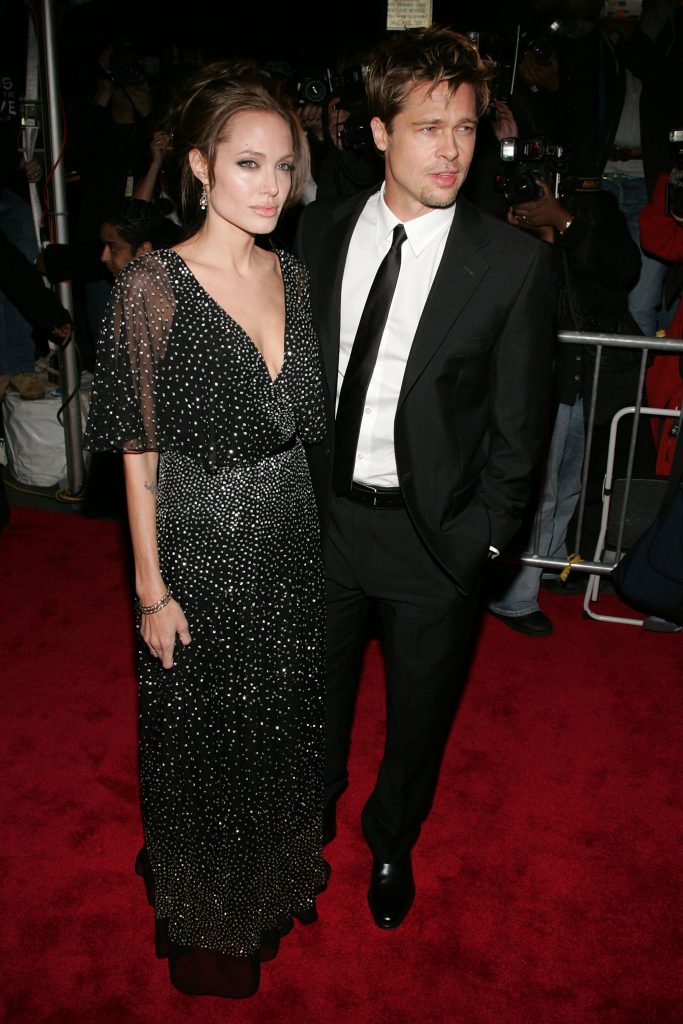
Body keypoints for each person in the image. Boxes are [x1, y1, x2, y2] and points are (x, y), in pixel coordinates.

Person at [295, 26, 556, 931]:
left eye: (466, 127)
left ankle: (391, 840)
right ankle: (306, 823)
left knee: (417, 719)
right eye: (427, 127)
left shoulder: (512, 264)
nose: (452, 150)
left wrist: (481, 541)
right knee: (313, 700)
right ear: (378, 132)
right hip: (323, 522)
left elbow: (521, 430)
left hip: (431, 538)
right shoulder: (321, 229)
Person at [83, 59, 328, 998]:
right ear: (199, 165)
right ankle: (205, 913)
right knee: (202, 738)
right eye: (247, 164)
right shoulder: (153, 286)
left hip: (288, 535)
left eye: (283, 166)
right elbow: (136, 452)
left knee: (276, 724)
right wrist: (151, 590)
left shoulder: (290, 275)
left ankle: (268, 878)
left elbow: (304, 421)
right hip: (199, 543)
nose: (269, 186)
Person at [487, 169, 641, 636]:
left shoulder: (597, 207)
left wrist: (563, 222)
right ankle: (514, 596)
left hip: (584, 369)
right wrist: (539, 236)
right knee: (540, 488)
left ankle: (549, 561)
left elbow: (622, 272)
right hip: (538, 370)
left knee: (568, 481)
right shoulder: (506, 221)